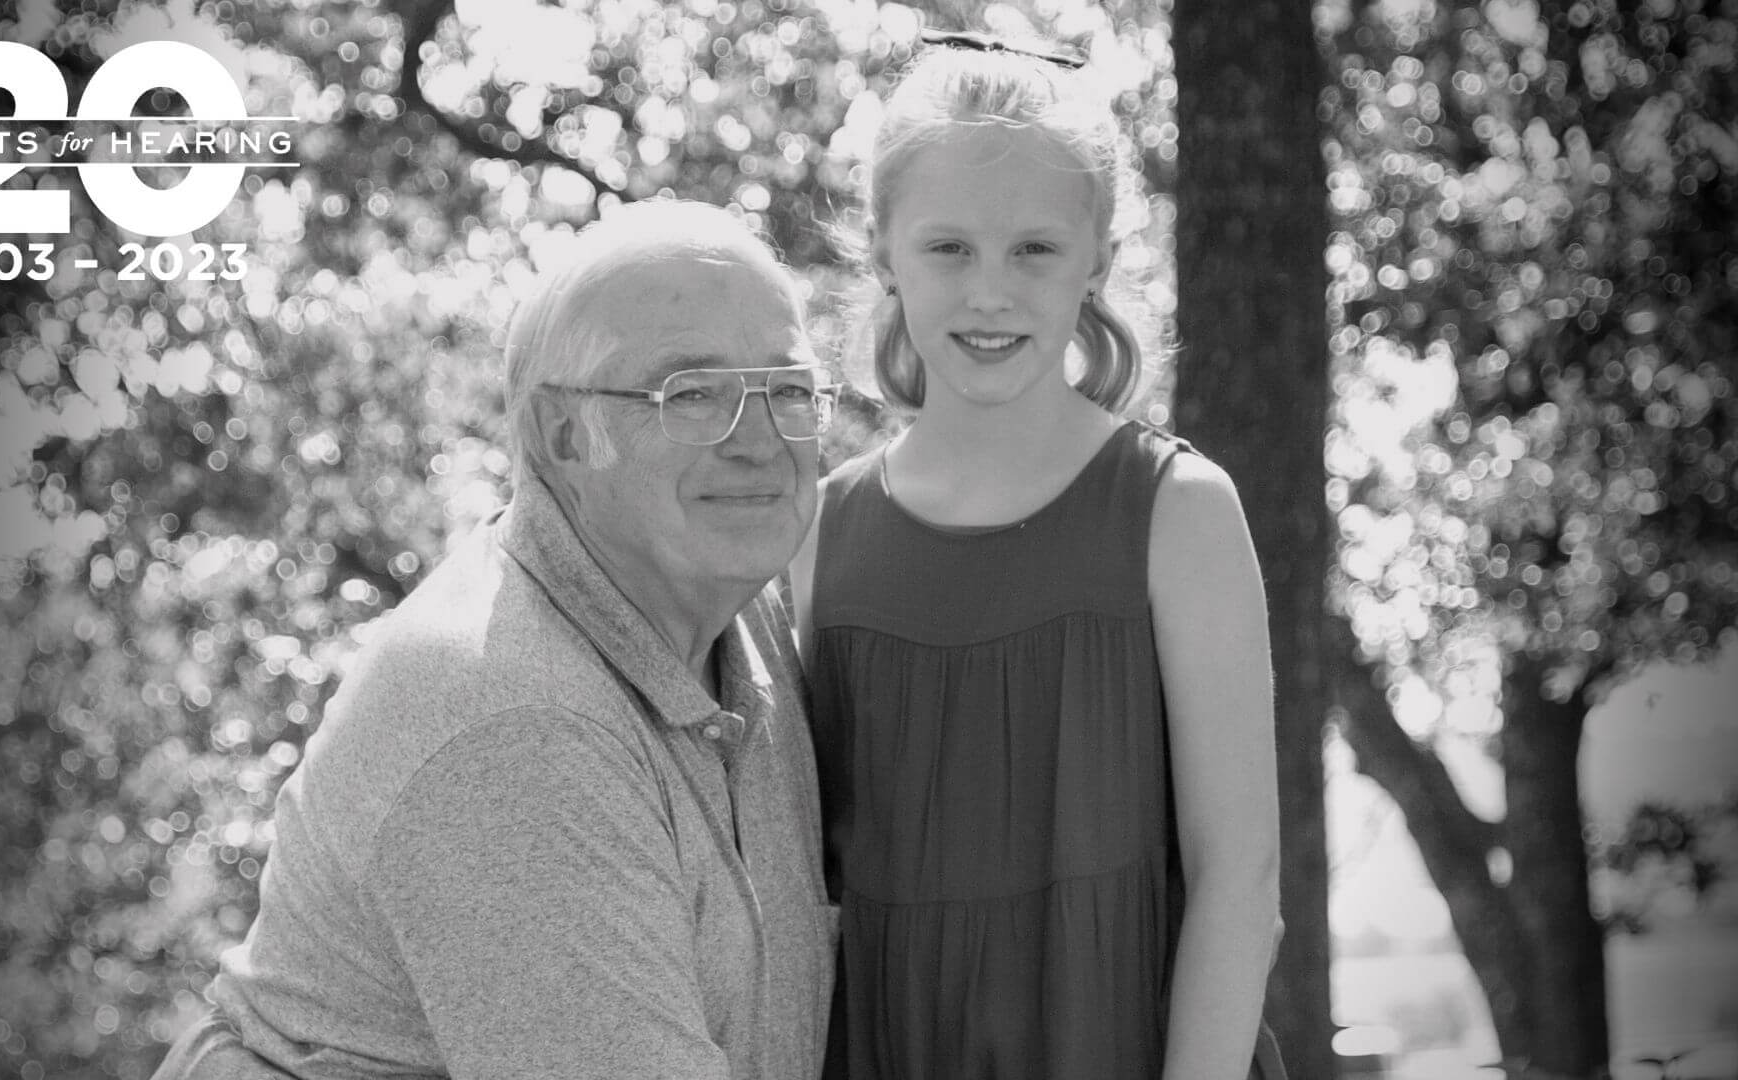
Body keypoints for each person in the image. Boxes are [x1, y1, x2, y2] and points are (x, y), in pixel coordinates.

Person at [153, 199, 840, 1079]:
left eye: (788, 391)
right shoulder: (517, 724)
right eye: (693, 394)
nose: (761, 441)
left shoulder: (742, 612)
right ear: (564, 435)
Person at [791, 33, 1286, 1080]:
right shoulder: (816, 537)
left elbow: (1240, 889)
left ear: (1098, 256)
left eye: (1033, 250)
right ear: (883, 250)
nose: (990, 292)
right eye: (949, 249)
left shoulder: (1176, 512)